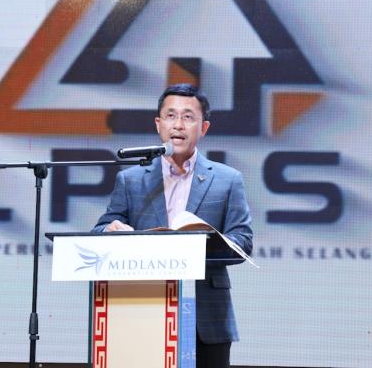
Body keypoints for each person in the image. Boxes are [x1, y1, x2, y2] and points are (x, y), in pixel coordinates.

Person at [92, 84, 253, 368]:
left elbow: (243, 241)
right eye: (170, 116)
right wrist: (110, 231)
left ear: (203, 128)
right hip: (144, 307)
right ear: (158, 124)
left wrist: (201, 245)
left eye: (188, 117)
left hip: (206, 312)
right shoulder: (131, 179)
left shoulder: (228, 179)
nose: (178, 125)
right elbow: (101, 229)